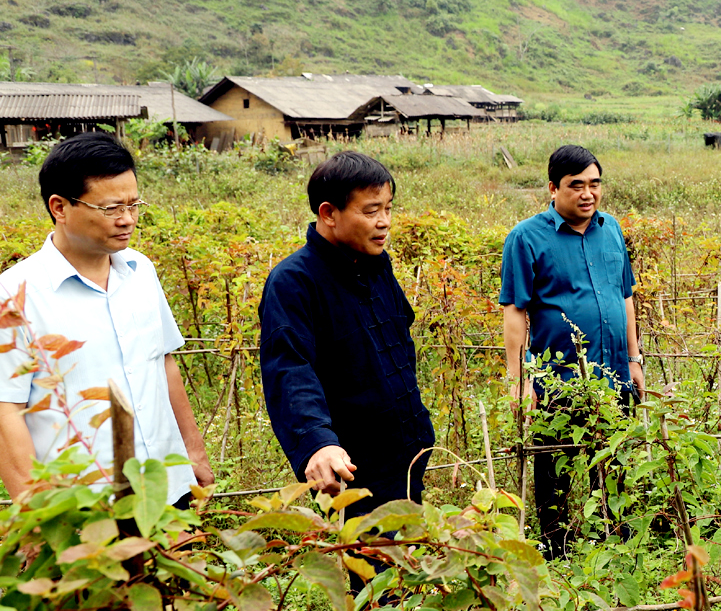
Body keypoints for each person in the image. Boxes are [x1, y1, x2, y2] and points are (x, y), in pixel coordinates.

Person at [0, 132, 213, 504]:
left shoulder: (140, 270)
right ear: (60, 207)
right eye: (111, 208)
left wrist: (193, 453)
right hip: (85, 507)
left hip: (167, 487)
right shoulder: (15, 294)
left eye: (133, 205)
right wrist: (33, 512)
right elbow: (7, 410)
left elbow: (164, 363)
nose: (127, 220)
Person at [259, 151, 434, 514]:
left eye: (388, 208)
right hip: (351, 470)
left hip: (407, 453)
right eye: (371, 211)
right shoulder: (294, 282)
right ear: (328, 213)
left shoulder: (374, 265)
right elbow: (290, 369)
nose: (384, 222)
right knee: (369, 565)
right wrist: (318, 443)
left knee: (408, 562)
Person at [500, 144, 645, 558]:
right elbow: (515, 311)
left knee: (615, 466)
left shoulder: (611, 228)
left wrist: (633, 358)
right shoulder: (526, 237)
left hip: (614, 373)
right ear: (552, 188)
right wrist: (519, 379)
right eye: (575, 185)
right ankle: (556, 550)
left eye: (594, 184)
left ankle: (616, 548)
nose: (587, 194)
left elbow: (625, 296)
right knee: (554, 471)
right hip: (558, 381)